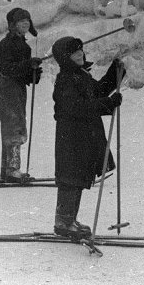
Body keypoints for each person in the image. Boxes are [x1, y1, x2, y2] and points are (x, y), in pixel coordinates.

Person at [51, 36, 123, 238]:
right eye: (75, 52)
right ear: (66, 58)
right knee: (70, 178)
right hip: (71, 137)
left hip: (83, 136)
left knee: (79, 176)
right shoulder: (66, 80)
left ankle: (69, 220)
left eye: (81, 50)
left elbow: (98, 90)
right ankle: (63, 222)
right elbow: (77, 108)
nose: (80, 54)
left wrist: (115, 70)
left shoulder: (80, 75)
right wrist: (107, 104)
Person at [0, 7, 43, 182]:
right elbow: (7, 69)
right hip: (7, 87)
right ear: (12, 25)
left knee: (16, 124)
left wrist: (34, 74)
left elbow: (22, 72)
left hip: (17, 88)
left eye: (27, 21)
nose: (25, 23)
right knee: (14, 126)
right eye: (21, 21)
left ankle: (7, 169)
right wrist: (27, 66)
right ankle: (12, 170)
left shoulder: (24, 46)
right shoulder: (6, 44)